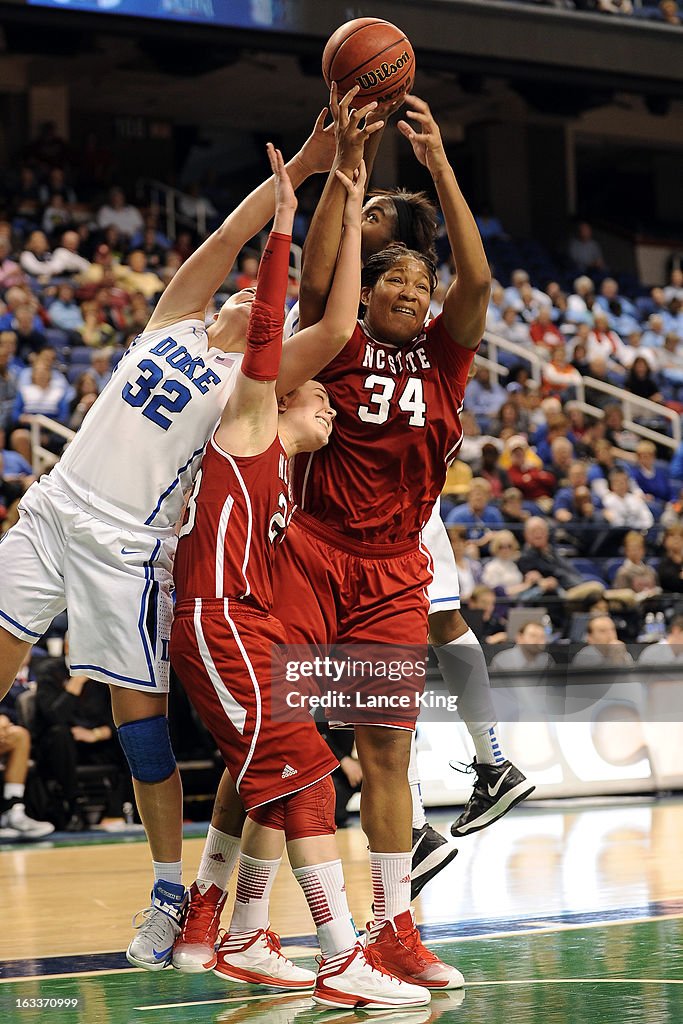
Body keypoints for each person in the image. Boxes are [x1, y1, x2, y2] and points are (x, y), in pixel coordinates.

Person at [0, 109, 345, 969]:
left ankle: (166, 890)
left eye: (260, 298)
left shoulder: (250, 387)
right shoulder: (172, 321)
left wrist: (337, 195)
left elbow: (331, 331)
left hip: (129, 547)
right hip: (55, 508)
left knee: (142, 736)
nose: (238, 291)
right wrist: (299, 167)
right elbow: (231, 234)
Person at [170, 145, 429, 1008]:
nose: (328, 403)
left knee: (289, 767)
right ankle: (315, 944)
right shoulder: (253, 420)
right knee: (303, 767)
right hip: (222, 617)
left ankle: (237, 928)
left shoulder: (286, 462)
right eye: (315, 397)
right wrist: (296, 214)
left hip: (279, 604)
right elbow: (310, 314)